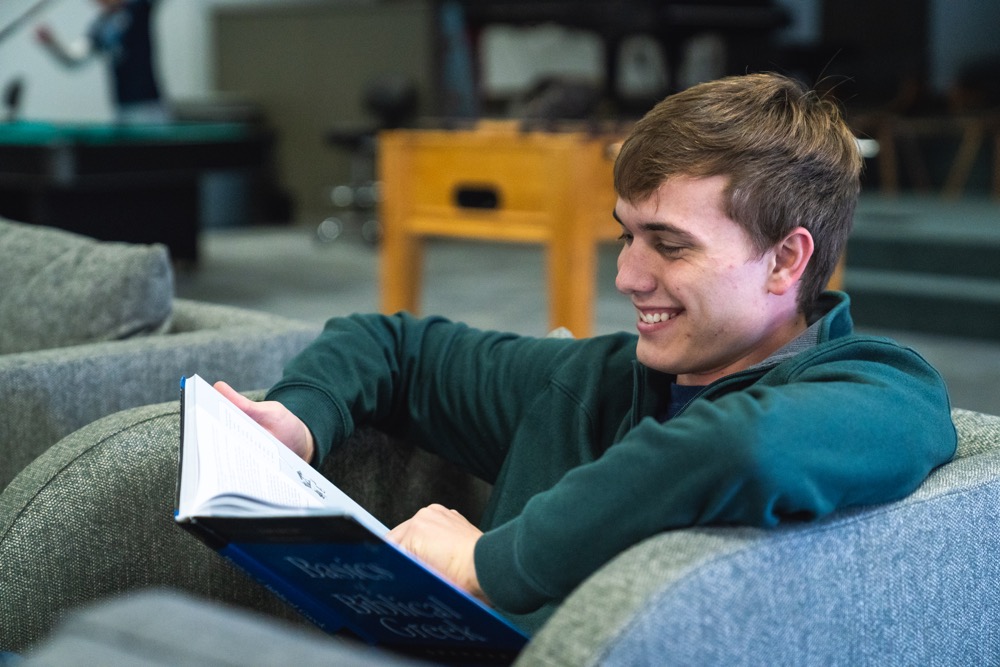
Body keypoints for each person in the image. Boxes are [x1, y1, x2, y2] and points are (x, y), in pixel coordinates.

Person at [216, 72, 956, 633]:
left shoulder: (884, 388)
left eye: (668, 244)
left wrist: (489, 563)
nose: (627, 275)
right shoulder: (591, 381)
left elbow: (743, 446)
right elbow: (390, 344)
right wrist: (299, 419)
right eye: (627, 234)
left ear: (785, 260)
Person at [35, 0, 168, 123]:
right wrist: (52, 43)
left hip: (150, 108)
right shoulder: (99, 26)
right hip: (122, 110)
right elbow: (74, 58)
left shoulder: (137, 8)